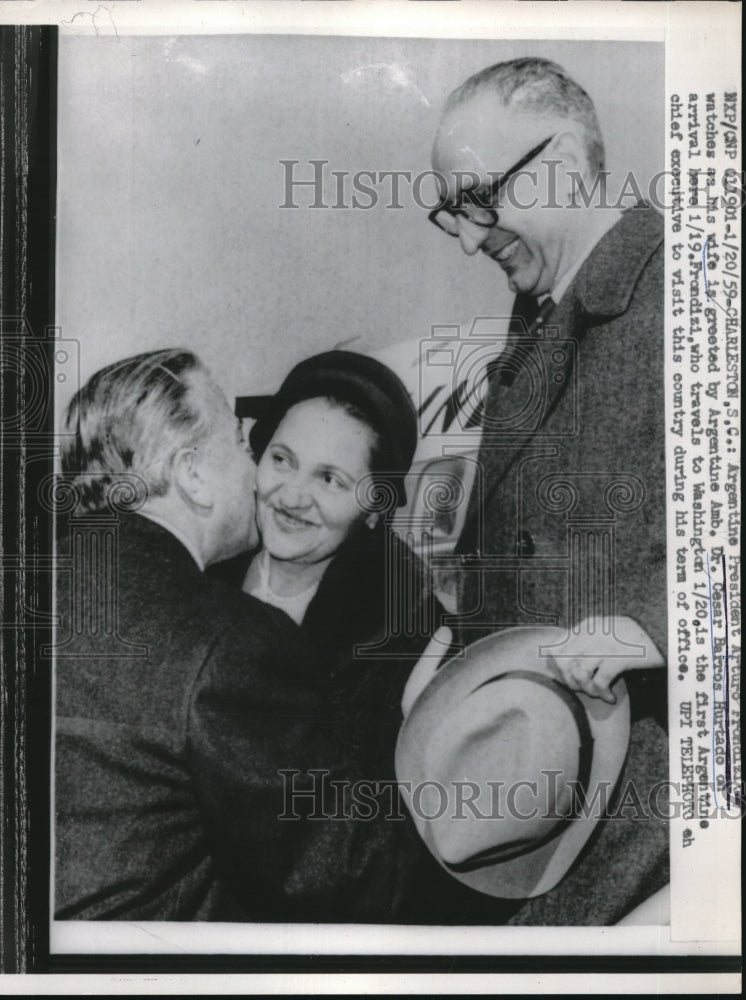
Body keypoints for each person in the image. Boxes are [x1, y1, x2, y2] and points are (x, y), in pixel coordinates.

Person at [423, 57, 668, 922]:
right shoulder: (540, 317)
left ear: (561, 162)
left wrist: (667, 625)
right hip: (543, 809)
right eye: (451, 210)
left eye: (478, 201)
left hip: (650, 826)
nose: (467, 236)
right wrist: (453, 656)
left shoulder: (691, 291)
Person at [53, 348, 419, 923]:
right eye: (255, 448)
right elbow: (353, 870)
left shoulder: (405, 626)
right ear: (194, 474)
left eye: (330, 478)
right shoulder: (224, 635)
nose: (284, 492)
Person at [213, 350, 444, 777]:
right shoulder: (203, 575)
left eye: (329, 479)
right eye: (282, 459)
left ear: (375, 507)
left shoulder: (406, 631)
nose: (293, 496)